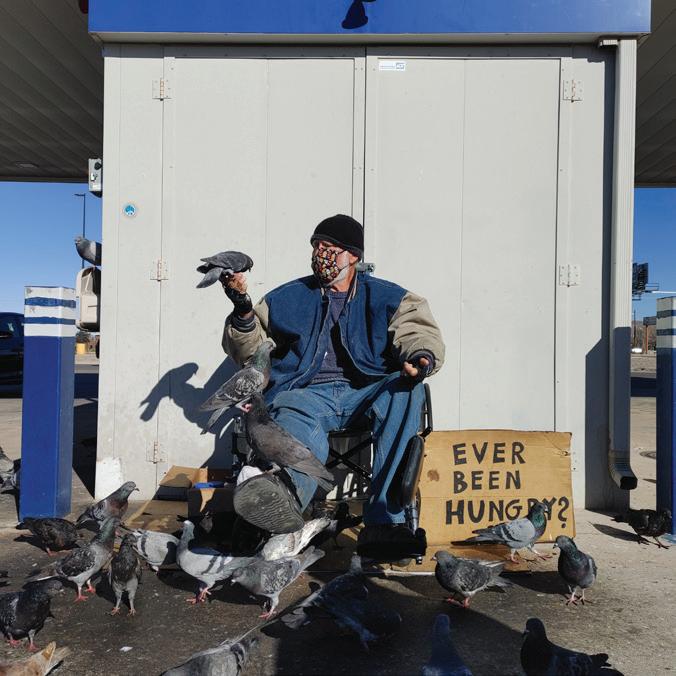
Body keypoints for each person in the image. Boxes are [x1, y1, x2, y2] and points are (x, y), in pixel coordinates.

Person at [222, 214, 445, 560]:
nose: (321, 254)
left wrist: (421, 357)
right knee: (291, 415)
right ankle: (283, 499)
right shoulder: (286, 298)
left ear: (353, 255)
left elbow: (416, 330)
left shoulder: (387, 296)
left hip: (367, 389)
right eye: (316, 246)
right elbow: (251, 354)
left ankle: (385, 523)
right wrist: (243, 313)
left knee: (407, 389)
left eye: (330, 247)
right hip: (306, 393)